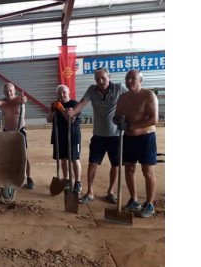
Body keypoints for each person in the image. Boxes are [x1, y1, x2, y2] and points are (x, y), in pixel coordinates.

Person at [67, 68, 127, 204]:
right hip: (98, 135)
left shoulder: (119, 88)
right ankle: (90, 192)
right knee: (92, 163)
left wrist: (127, 116)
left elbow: (131, 100)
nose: (100, 81)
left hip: (116, 135)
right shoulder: (92, 90)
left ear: (109, 76)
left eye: (103, 78)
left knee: (115, 165)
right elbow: (82, 103)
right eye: (97, 79)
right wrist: (73, 112)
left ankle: (111, 191)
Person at [113, 69, 158, 218]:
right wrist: (118, 122)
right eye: (127, 79)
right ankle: (134, 200)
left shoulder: (148, 95)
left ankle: (149, 203)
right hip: (128, 139)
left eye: (133, 78)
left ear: (140, 80)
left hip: (146, 138)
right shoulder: (122, 98)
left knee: (147, 172)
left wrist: (132, 126)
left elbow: (154, 119)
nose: (129, 81)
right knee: (129, 170)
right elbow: (116, 116)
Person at [0, 83, 34, 189]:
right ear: (4, 92)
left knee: (25, 156)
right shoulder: (3, 102)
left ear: (14, 90)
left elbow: (24, 99)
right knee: (7, 156)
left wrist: (24, 99)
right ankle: (9, 176)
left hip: (20, 132)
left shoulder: (19, 100)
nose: (9, 93)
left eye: (10, 90)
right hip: (6, 132)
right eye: (6, 91)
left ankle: (29, 178)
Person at [46, 85, 82, 192]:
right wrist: (53, 111)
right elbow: (48, 119)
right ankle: (66, 180)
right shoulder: (55, 105)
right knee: (63, 159)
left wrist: (61, 108)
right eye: (60, 93)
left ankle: (77, 183)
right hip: (59, 136)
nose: (62, 95)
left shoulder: (75, 104)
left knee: (74, 159)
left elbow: (70, 120)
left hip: (73, 136)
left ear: (69, 92)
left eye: (64, 92)